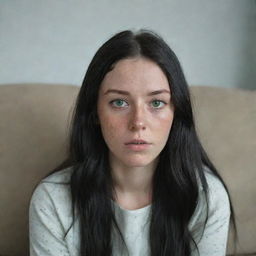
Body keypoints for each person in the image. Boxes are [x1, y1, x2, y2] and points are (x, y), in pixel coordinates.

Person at [29, 29, 237, 256]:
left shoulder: (207, 197)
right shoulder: (52, 199)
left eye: (156, 103)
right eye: (119, 102)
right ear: (95, 113)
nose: (138, 122)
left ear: (176, 112)